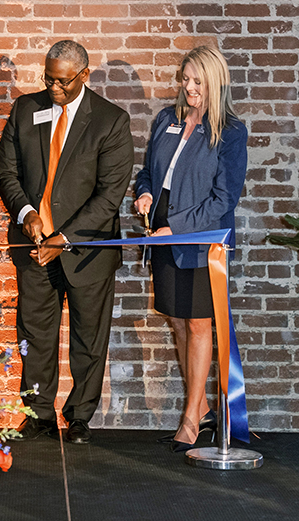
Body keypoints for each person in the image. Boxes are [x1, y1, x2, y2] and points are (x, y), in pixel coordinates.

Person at [0, 40, 134, 444]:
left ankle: (79, 417)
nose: (53, 88)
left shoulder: (111, 120)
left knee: (88, 338)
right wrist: (27, 215)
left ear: (83, 76)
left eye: (62, 82)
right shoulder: (26, 109)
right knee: (35, 333)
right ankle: (37, 413)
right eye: (48, 79)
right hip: (35, 245)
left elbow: (110, 195)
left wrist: (65, 236)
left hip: (87, 250)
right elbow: (7, 173)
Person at [134, 46, 248, 452]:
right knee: (178, 321)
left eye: (197, 82)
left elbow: (224, 200)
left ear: (216, 82)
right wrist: (145, 194)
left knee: (200, 325)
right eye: (185, 80)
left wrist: (175, 228)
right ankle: (199, 408)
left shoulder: (231, 132)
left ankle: (189, 420)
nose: (188, 87)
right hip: (164, 235)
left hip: (199, 240)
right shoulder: (168, 118)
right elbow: (148, 172)